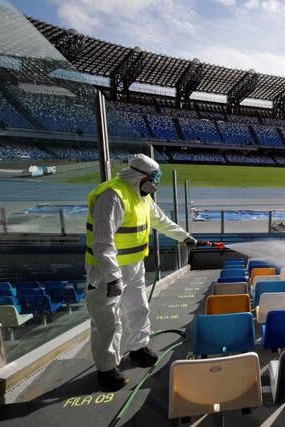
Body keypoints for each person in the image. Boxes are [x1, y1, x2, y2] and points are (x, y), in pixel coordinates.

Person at [85, 153, 198, 390]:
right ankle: (107, 369)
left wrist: (184, 237)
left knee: (138, 308)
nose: (155, 183)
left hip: (135, 265)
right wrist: (112, 276)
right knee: (107, 319)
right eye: (153, 178)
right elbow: (102, 243)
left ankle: (138, 348)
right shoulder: (113, 195)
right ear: (140, 176)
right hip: (107, 270)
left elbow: (161, 221)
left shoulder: (142, 197)